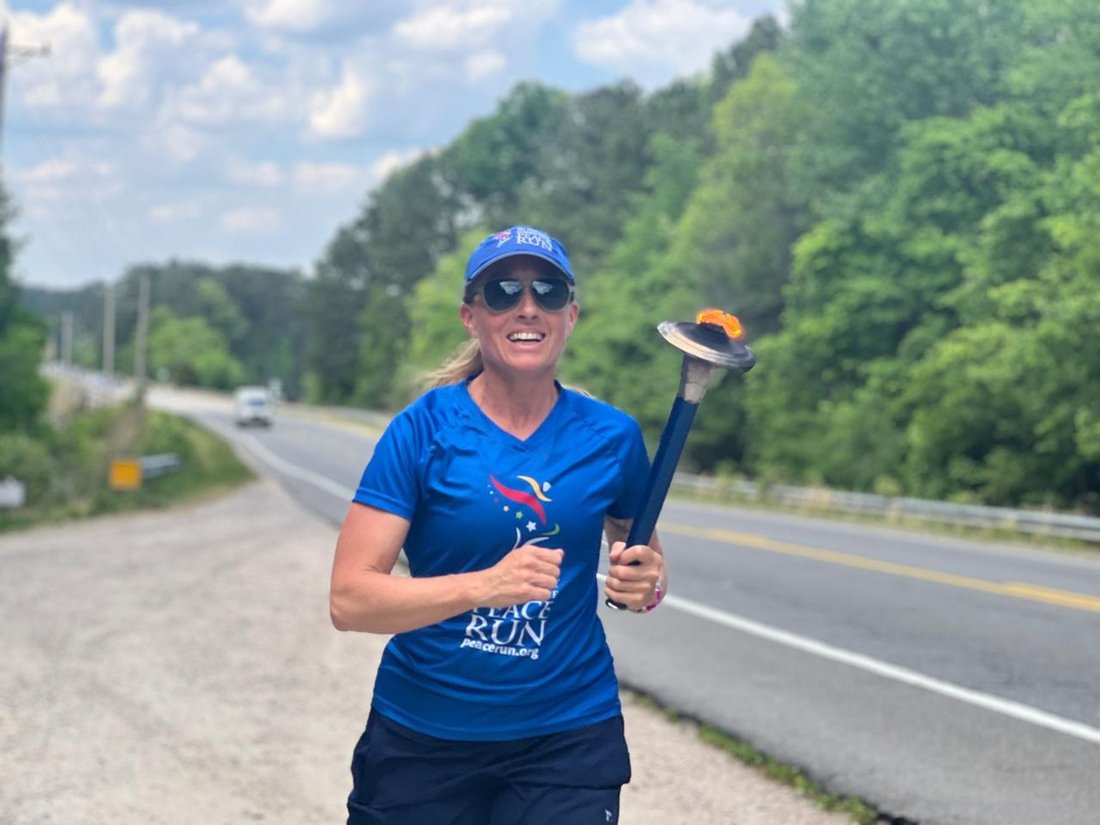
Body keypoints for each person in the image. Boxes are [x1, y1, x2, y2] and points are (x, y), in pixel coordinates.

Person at [330, 224, 668, 825]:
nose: (527, 306)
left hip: (566, 734)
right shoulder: (422, 431)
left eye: (548, 292)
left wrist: (645, 585)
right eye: (503, 291)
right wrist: (484, 586)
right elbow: (350, 600)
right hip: (424, 734)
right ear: (471, 316)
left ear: (571, 315)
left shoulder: (612, 437)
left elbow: (641, 567)